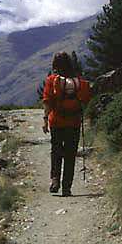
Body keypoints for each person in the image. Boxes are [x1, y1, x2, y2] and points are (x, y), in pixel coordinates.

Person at [42, 52, 92, 196]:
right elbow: (86, 99)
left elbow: (47, 101)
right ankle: (67, 187)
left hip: (56, 121)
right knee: (70, 155)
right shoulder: (79, 82)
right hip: (74, 122)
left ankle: (55, 179)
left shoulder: (52, 80)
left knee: (56, 151)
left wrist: (45, 120)